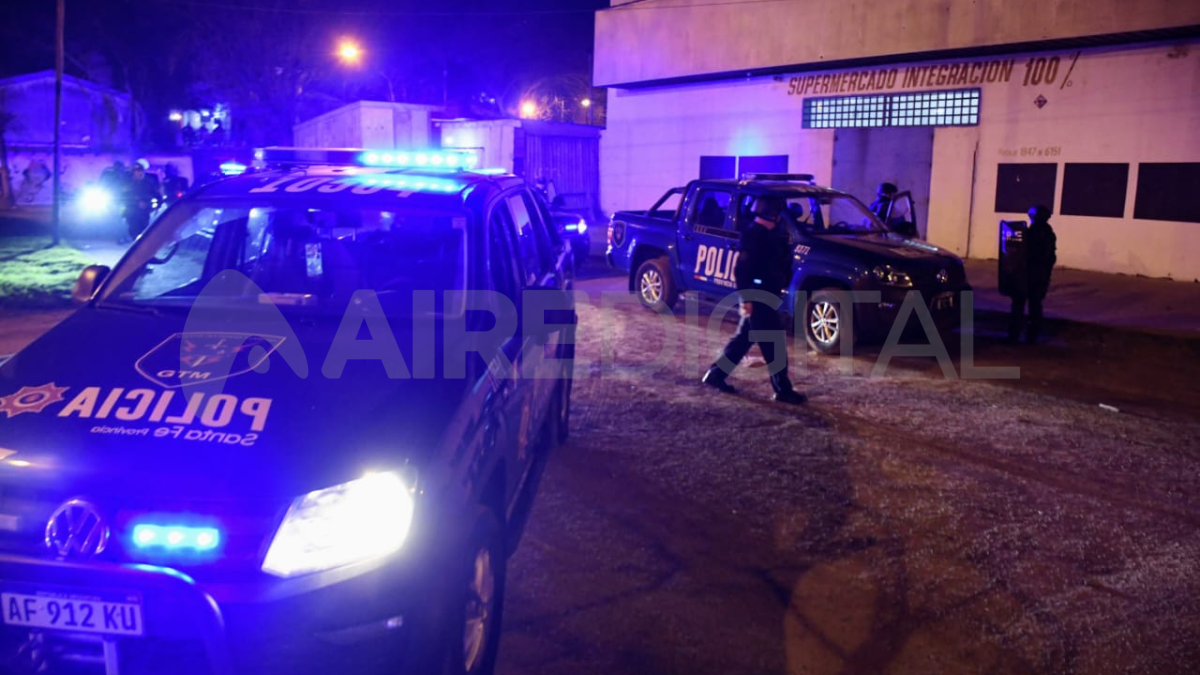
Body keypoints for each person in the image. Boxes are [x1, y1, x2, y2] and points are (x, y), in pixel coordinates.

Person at [702, 196, 807, 404]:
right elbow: (742, 270)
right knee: (774, 344)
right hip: (759, 297)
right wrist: (747, 299)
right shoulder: (754, 235)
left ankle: (715, 375)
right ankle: (783, 390)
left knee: (743, 340)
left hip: (766, 295)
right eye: (778, 214)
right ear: (772, 214)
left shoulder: (771, 234)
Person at [1008, 204, 1057, 344]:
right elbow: (1051, 258)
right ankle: (1032, 336)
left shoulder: (1030, 234)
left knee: (1018, 305)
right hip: (1040, 277)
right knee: (1035, 306)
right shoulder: (1049, 234)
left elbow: (1021, 254)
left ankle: (1015, 334)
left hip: (1027, 276)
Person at [121, 163, 160, 241]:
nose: (139, 173)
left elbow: (157, 195)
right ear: (133, 172)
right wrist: (136, 201)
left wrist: (156, 206)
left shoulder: (148, 183)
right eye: (137, 171)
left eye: (140, 171)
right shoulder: (128, 184)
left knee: (144, 230)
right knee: (133, 229)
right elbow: (123, 196)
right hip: (132, 211)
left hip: (144, 211)